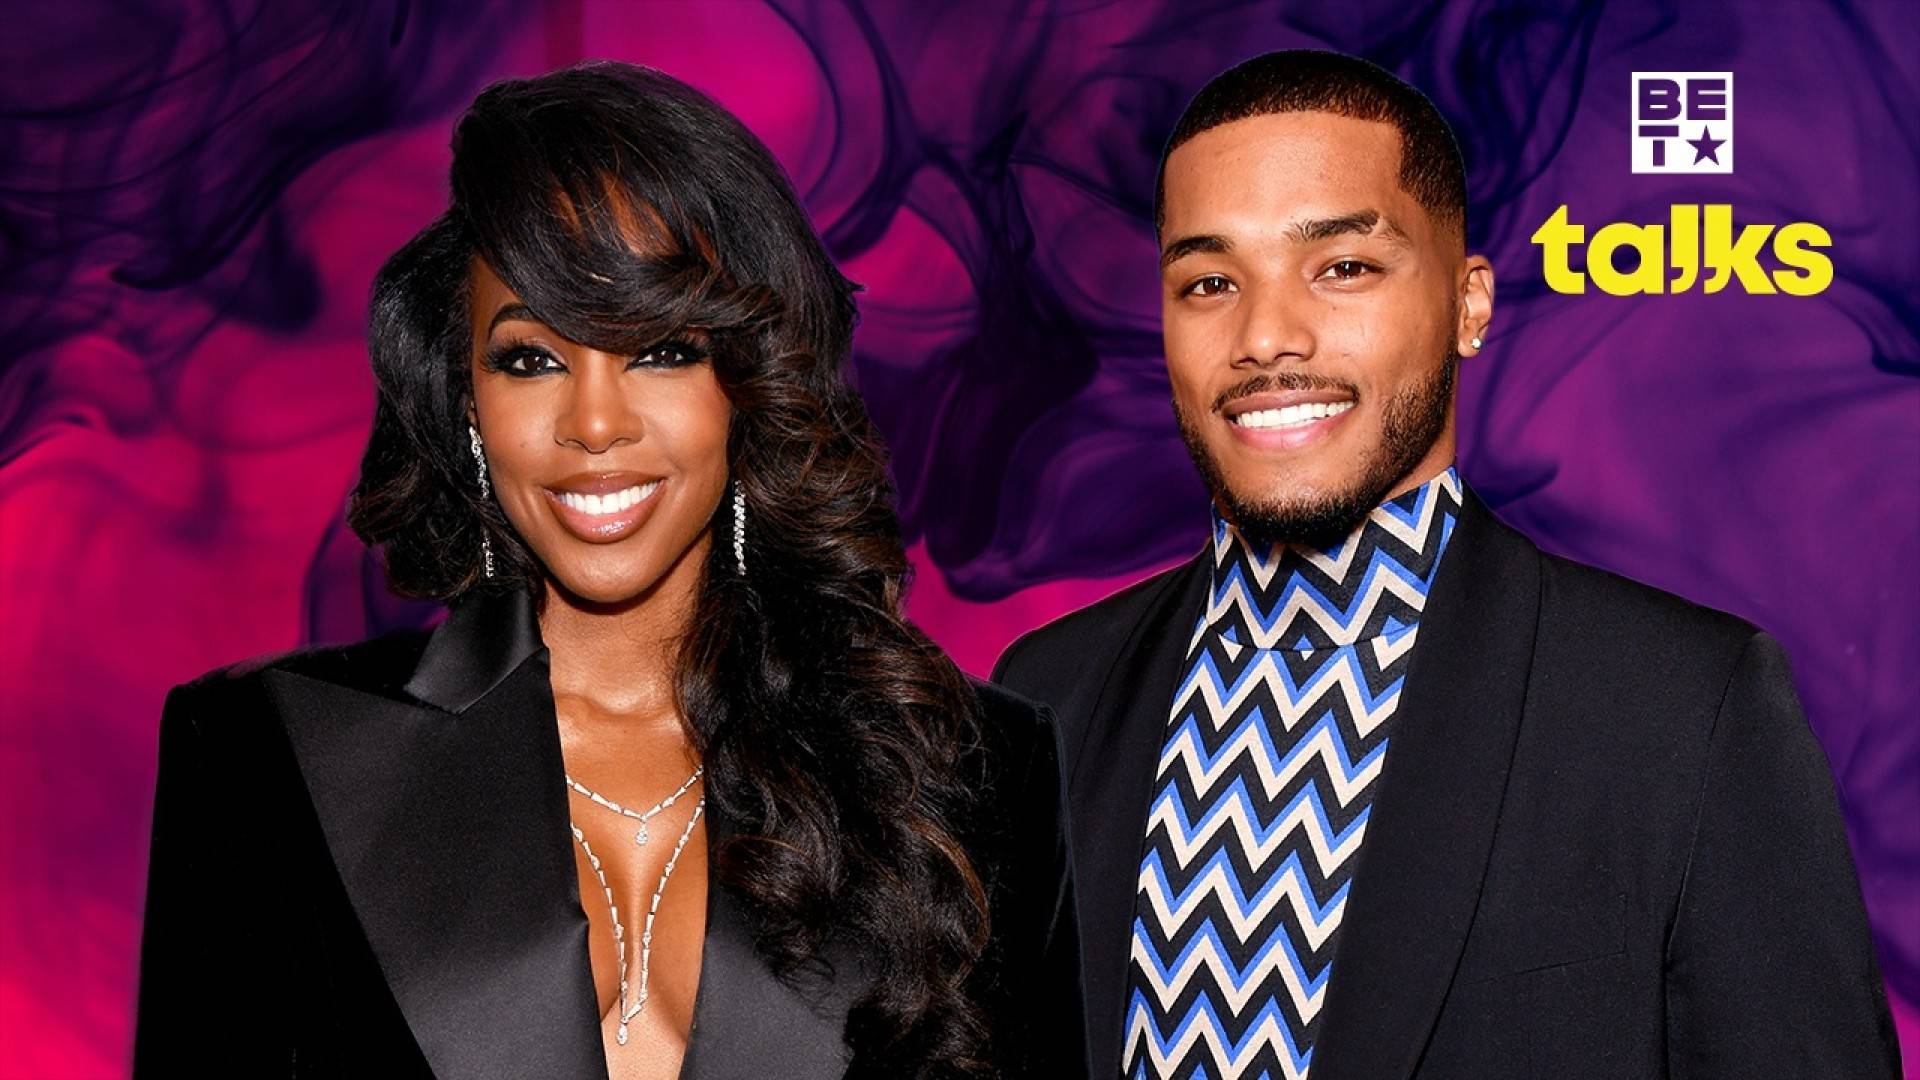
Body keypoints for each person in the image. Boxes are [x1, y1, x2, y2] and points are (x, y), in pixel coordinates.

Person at [133, 61, 1086, 1080]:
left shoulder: (972, 771)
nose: (594, 423)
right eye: (532, 359)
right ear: (468, 400)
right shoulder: (261, 756)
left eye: (661, 349)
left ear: (750, 383)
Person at [992, 49, 1899, 1080]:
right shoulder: (1048, 695)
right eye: (1209, 282)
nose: (1266, 337)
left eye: (1343, 267)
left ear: (1469, 305)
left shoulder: (1686, 706)